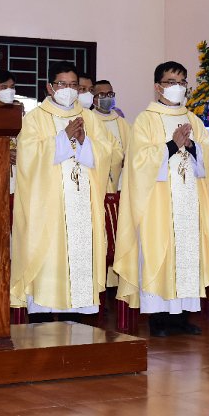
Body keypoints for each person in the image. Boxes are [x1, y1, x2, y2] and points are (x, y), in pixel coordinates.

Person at [115, 61, 209, 336]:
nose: (178, 87)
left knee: (187, 255)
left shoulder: (193, 120)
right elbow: (138, 162)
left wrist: (193, 146)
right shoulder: (146, 119)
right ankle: (159, 318)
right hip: (157, 204)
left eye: (182, 82)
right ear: (157, 86)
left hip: (189, 200)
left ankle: (183, 317)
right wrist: (173, 145)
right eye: (171, 82)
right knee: (159, 255)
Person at [10, 61, 112, 322]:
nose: (68, 89)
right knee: (48, 259)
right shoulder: (35, 118)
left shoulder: (89, 117)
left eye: (73, 85)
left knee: (80, 262)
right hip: (47, 209)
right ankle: (42, 321)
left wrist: (85, 142)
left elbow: (105, 153)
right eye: (62, 84)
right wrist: (62, 138)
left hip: (82, 207)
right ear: (49, 87)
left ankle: (78, 323)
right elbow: (27, 156)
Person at [91, 79, 130, 288]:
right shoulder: (89, 120)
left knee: (120, 233)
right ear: (94, 97)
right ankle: (101, 280)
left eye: (110, 94)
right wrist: (115, 160)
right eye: (102, 95)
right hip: (101, 184)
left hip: (122, 184)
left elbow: (132, 150)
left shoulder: (121, 122)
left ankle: (117, 281)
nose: (107, 98)